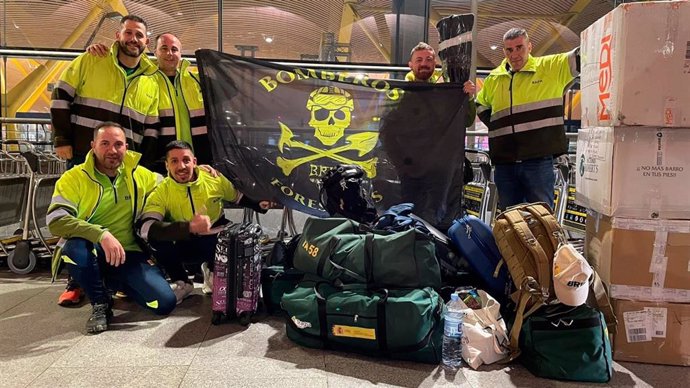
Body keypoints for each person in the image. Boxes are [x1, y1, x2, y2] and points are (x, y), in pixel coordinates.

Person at [51, 15, 160, 307]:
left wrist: (143, 164)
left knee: (122, 216)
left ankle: (113, 272)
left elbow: (150, 127)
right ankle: (76, 280)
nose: (133, 39)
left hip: (124, 161)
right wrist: (62, 140)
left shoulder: (151, 79)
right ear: (118, 35)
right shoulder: (91, 60)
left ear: (146, 42)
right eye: (129, 33)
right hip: (83, 153)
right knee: (81, 214)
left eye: (139, 35)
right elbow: (60, 97)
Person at [46, 122, 176, 334]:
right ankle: (100, 303)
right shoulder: (73, 177)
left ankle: (108, 282)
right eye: (105, 143)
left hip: (128, 253)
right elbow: (56, 221)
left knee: (163, 303)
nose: (112, 150)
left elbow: (172, 183)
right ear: (93, 146)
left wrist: (198, 172)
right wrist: (101, 234)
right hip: (91, 250)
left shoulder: (138, 174)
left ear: (126, 147)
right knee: (74, 248)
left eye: (118, 144)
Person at [137, 140, 270, 302]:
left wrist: (259, 205)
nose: (181, 166)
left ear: (194, 162)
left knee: (232, 238)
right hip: (183, 243)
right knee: (156, 238)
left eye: (186, 160)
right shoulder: (161, 191)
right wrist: (189, 227)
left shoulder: (214, 178)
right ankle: (182, 282)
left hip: (215, 238)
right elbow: (146, 228)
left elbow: (237, 197)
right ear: (166, 165)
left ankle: (213, 270)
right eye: (174, 161)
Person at [475, 28, 579, 210]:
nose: (514, 54)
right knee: (509, 220)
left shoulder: (550, 67)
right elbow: (480, 104)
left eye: (519, 47)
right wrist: (495, 127)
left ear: (529, 46)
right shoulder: (494, 79)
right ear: (504, 52)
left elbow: (582, 56)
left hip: (537, 161)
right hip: (505, 163)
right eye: (509, 49)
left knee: (541, 218)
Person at [87, 32, 211, 171]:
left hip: (197, 160)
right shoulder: (143, 80)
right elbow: (119, 74)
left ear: (181, 54)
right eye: (164, 48)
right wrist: (103, 55)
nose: (169, 53)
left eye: (174, 49)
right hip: (159, 162)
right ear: (155, 52)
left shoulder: (197, 81)